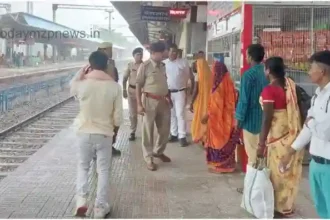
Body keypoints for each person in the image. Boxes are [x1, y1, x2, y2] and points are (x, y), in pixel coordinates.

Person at [70, 51, 123, 218]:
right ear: (107, 65)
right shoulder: (115, 86)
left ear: (89, 64)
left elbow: (72, 88)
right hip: (104, 134)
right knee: (103, 170)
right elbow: (118, 118)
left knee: (83, 166)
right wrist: (112, 126)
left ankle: (81, 202)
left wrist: (80, 74)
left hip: (83, 132)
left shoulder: (82, 84)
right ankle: (100, 207)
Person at [280, 50, 330, 219]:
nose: (308, 72)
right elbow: (309, 129)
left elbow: (326, 132)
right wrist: (291, 151)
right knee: (322, 210)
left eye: (311, 68)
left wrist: (311, 122)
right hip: (316, 164)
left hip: (329, 166)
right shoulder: (317, 95)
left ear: (322, 72)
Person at [257, 57, 304, 218]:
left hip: (276, 138)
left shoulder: (269, 90)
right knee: (288, 172)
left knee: (277, 175)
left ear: (269, 70)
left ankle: (278, 208)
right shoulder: (290, 86)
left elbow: (267, 119)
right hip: (292, 136)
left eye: (265, 68)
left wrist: (261, 143)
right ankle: (287, 206)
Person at [235, 44, 268, 193]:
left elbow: (244, 101)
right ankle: (261, 184)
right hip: (266, 120)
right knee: (262, 154)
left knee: (252, 156)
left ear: (250, 56)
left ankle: (252, 187)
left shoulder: (248, 75)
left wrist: (239, 120)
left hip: (251, 121)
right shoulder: (266, 72)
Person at [136, 41, 173, 171]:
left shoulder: (163, 66)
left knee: (165, 130)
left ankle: (158, 151)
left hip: (163, 101)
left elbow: (164, 83)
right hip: (149, 101)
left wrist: (168, 97)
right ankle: (149, 158)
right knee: (148, 131)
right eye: (162, 52)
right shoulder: (144, 66)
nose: (164, 54)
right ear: (153, 53)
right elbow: (138, 85)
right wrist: (139, 105)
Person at [201, 61, 240, 173]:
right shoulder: (229, 82)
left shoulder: (218, 86)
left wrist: (207, 116)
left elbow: (215, 107)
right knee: (227, 140)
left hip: (218, 121)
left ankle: (220, 166)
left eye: (213, 71)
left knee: (218, 142)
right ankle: (229, 165)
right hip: (229, 119)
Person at [164, 43, 190, 147]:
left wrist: (187, 89)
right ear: (167, 52)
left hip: (180, 92)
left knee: (180, 114)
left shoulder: (183, 63)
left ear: (177, 52)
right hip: (169, 92)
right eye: (170, 51)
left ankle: (182, 136)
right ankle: (174, 133)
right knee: (172, 114)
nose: (172, 53)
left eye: (174, 51)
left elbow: (187, 76)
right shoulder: (164, 64)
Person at [97, 42, 121, 156]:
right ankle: (98, 149)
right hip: (100, 100)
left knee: (114, 124)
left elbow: (115, 79)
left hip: (111, 99)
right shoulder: (95, 64)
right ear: (103, 50)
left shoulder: (111, 63)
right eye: (109, 50)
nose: (111, 52)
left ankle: (110, 145)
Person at [190, 54, 212, 144]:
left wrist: (191, 102)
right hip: (210, 101)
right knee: (208, 118)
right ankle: (208, 137)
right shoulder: (211, 74)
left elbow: (196, 90)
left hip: (201, 101)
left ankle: (202, 136)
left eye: (196, 66)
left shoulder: (198, 76)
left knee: (200, 118)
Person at [123, 47, 144, 141]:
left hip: (143, 92)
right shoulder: (130, 65)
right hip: (131, 91)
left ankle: (145, 132)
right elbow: (124, 78)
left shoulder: (145, 65)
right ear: (134, 56)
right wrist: (124, 89)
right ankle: (132, 131)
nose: (140, 56)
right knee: (132, 113)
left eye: (141, 54)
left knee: (144, 112)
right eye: (138, 55)